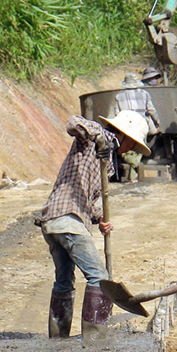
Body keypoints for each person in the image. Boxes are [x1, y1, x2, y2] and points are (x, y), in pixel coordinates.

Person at [38, 110, 151, 339]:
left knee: (64, 281)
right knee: (100, 278)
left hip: (57, 220)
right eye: (132, 144)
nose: (130, 150)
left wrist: (99, 218)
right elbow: (73, 122)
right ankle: (95, 343)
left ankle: (57, 342)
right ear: (125, 136)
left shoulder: (106, 162)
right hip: (65, 218)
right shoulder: (98, 137)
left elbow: (91, 200)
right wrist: (98, 137)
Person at [114, 72, 160, 180]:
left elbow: (117, 114)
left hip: (127, 127)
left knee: (126, 151)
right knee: (137, 151)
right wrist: (158, 123)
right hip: (141, 126)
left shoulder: (119, 96)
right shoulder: (145, 94)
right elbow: (151, 110)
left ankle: (133, 174)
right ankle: (136, 170)